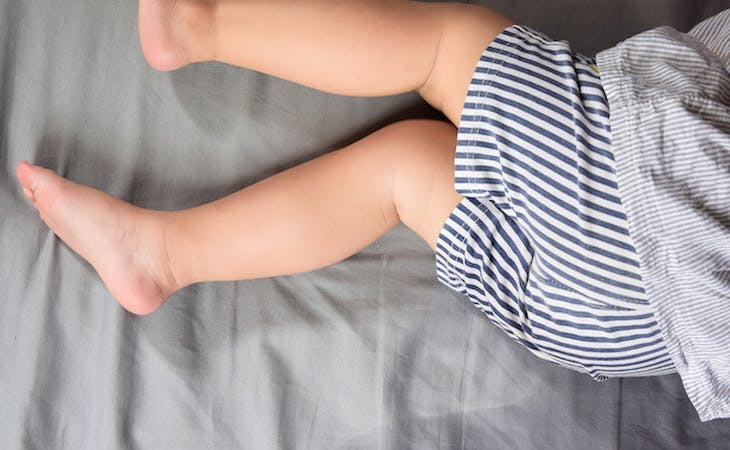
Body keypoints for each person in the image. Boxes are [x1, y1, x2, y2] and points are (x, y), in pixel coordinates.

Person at [14, 1, 730, 421]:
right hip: (622, 337)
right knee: (404, 171)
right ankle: (163, 258)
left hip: (641, 196)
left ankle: (198, 23)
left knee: (449, 47)